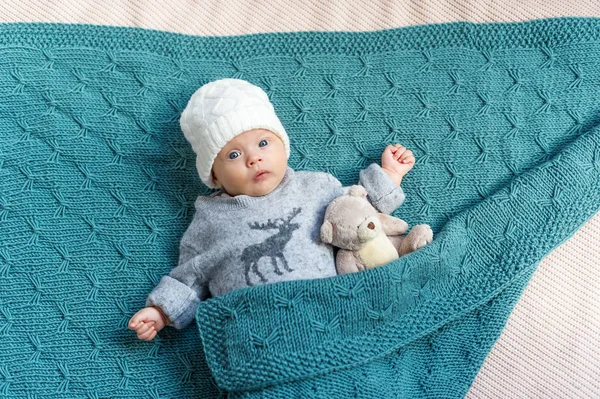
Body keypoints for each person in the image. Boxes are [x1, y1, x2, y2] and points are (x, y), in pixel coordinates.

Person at [128, 78, 415, 341]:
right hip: (256, 332)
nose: (254, 158)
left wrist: (390, 175)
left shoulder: (315, 187)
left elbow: (358, 212)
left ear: (283, 146)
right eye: (233, 154)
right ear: (214, 175)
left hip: (329, 316)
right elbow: (190, 275)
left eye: (263, 143)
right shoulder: (210, 221)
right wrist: (161, 312)